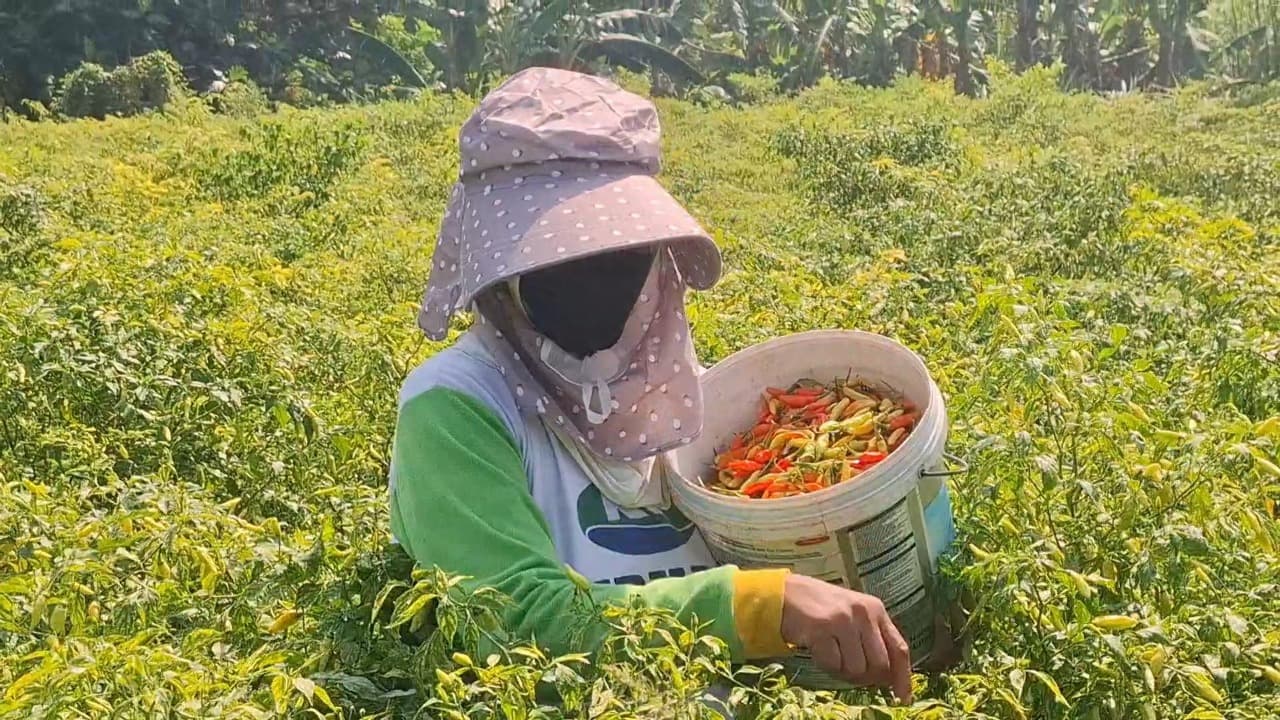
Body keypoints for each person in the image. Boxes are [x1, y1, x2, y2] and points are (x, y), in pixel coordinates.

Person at [389, 66, 913, 704]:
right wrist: (762, 604)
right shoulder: (458, 407)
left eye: (615, 254)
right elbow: (507, 618)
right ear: (503, 274)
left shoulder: (675, 386)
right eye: (556, 263)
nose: (593, 282)